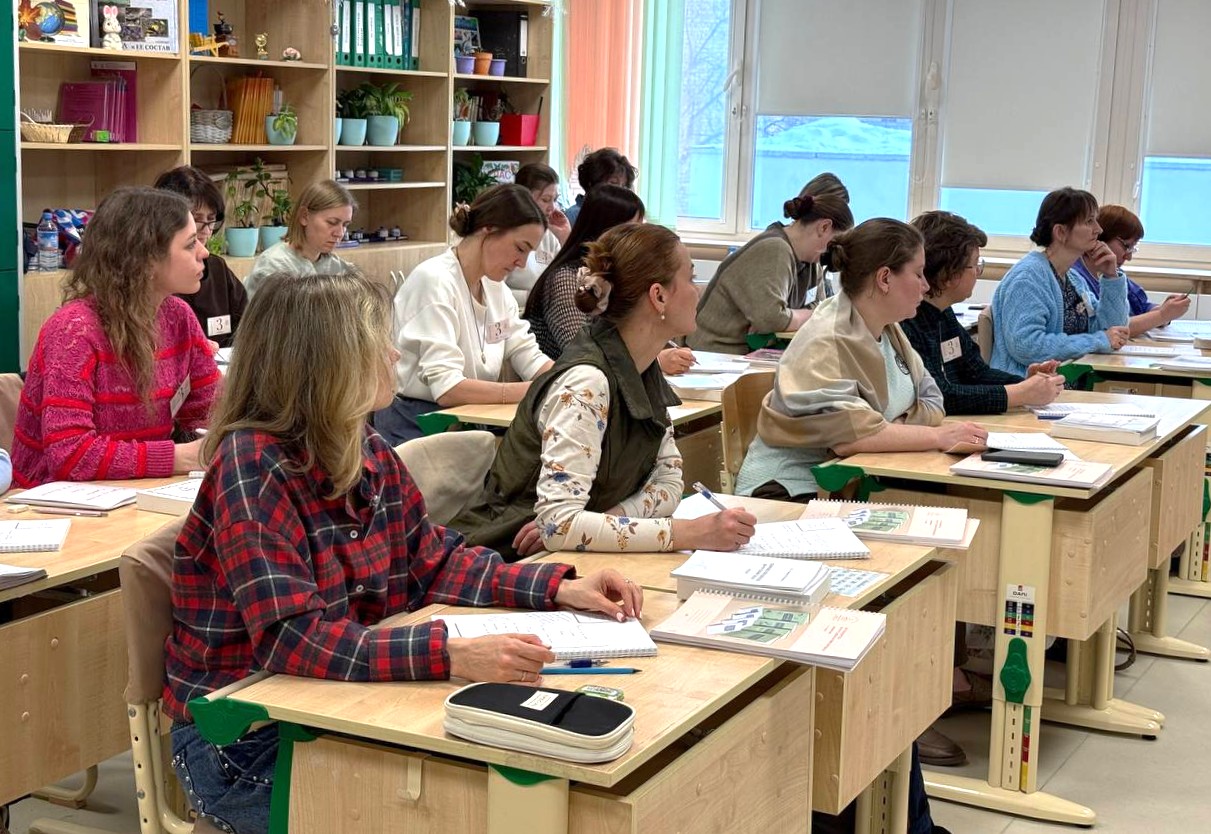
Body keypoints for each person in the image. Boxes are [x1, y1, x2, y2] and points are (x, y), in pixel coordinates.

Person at [164, 270, 642, 834]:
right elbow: (293, 640)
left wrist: (558, 587)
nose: (393, 355)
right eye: (377, 344)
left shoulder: (363, 444)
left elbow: (433, 560)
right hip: (244, 738)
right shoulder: (252, 465)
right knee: (469, 808)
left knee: (524, 787)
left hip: (333, 709)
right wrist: (450, 655)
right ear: (326, 363)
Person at [451, 223, 757, 562]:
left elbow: (669, 483)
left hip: (564, 560)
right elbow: (560, 526)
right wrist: (690, 533)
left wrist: (604, 523)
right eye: (690, 277)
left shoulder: (643, 369)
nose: (697, 290)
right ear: (658, 296)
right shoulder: (587, 382)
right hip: (501, 561)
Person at [736, 218, 986, 501]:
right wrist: (938, 436)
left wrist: (888, 429)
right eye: (918, 274)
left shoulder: (889, 330)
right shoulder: (826, 341)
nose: (926, 286)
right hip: (788, 488)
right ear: (885, 278)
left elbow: (932, 399)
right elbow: (850, 438)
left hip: (847, 481)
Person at [11, 188, 218, 487]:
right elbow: (71, 456)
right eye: (189, 244)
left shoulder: (178, 317)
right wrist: (180, 457)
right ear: (146, 260)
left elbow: (208, 412)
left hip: (133, 491)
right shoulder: (73, 331)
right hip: (49, 503)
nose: (204, 252)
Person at [373, 184, 555, 445]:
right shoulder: (434, 281)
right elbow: (447, 389)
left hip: (469, 418)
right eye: (520, 248)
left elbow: (527, 354)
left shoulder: (496, 288)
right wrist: (532, 390)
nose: (522, 263)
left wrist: (564, 379)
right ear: (488, 229)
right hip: (416, 424)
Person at [901, 210, 1064, 414]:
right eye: (975, 264)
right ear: (948, 274)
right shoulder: (907, 322)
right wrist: (1019, 393)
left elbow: (975, 372)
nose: (978, 272)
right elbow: (940, 396)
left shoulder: (943, 313)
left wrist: (1025, 383)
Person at [687, 189, 854, 354]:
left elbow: (821, 308)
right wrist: (805, 315)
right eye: (833, 244)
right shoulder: (775, 249)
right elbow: (772, 319)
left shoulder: (810, 260)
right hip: (717, 353)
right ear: (824, 227)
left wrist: (796, 316)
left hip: (752, 352)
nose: (832, 255)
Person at [990, 188, 1129, 375]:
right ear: (1061, 232)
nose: (1099, 229)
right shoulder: (1028, 279)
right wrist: (1098, 340)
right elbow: (1026, 346)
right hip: (1028, 383)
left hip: (1066, 380)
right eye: (1089, 221)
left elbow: (1113, 331)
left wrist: (1112, 278)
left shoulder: (1073, 278)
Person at [153, 165, 248, 349]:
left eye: (211, 219)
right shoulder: (157, 278)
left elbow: (247, 324)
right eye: (197, 218)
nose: (206, 230)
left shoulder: (217, 268)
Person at [1070, 204, 1190, 336]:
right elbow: (1109, 328)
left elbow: (1143, 309)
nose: (1129, 257)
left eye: (1132, 249)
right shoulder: (1075, 278)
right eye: (1126, 246)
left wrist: (1167, 309)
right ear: (1099, 237)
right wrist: (1162, 315)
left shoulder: (1117, 276)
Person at [244, 179, 356, 297]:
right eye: (332, 222)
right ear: (304, 216)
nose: (340, 233)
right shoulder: (273, 266)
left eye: (345, 225)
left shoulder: (339, 268)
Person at [505, 163, 572, 297]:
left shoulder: (550, 235)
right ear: (524, 198)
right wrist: (534, 297)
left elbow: (566, 282)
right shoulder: (506, 233)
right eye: (545, 200)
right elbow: (493, 292)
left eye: (555, 200)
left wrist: (565, 237)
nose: (552, 208)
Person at [565, 147, 636, 225]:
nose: (620, 191)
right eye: (613, 183)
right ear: (592, 182)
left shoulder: (623, 217)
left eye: (624, 187)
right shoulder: (573, 216)